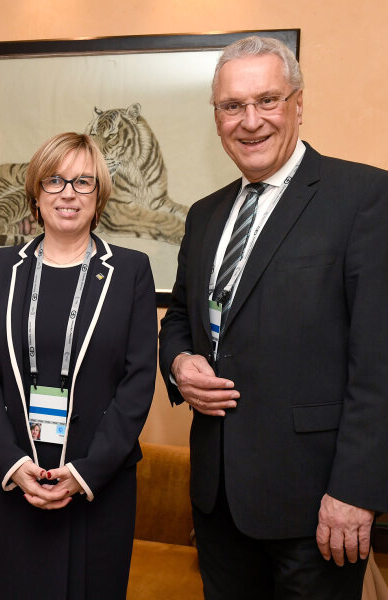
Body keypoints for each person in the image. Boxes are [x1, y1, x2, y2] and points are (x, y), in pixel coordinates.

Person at [159, 36, 388, 600]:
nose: (250, 121)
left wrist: (355, 492)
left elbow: (378, 362)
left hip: (317, 508)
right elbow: (181, 322)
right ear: (216, 118)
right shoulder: (206, 214)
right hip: (218, 502)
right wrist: (180, 363)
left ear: (298, 104)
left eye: (267, 100)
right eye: (232, 106)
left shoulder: (363, 196)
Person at [0, 132, 157, 599]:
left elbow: (139, 381)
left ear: (99, 195)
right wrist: (11, 463)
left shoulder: (130, 270)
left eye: (83, 182)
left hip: (98, 485)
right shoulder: (0, 267)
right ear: (36, 192)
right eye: (54, 180)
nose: (68, 193)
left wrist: (86, 472)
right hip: (17, 481)